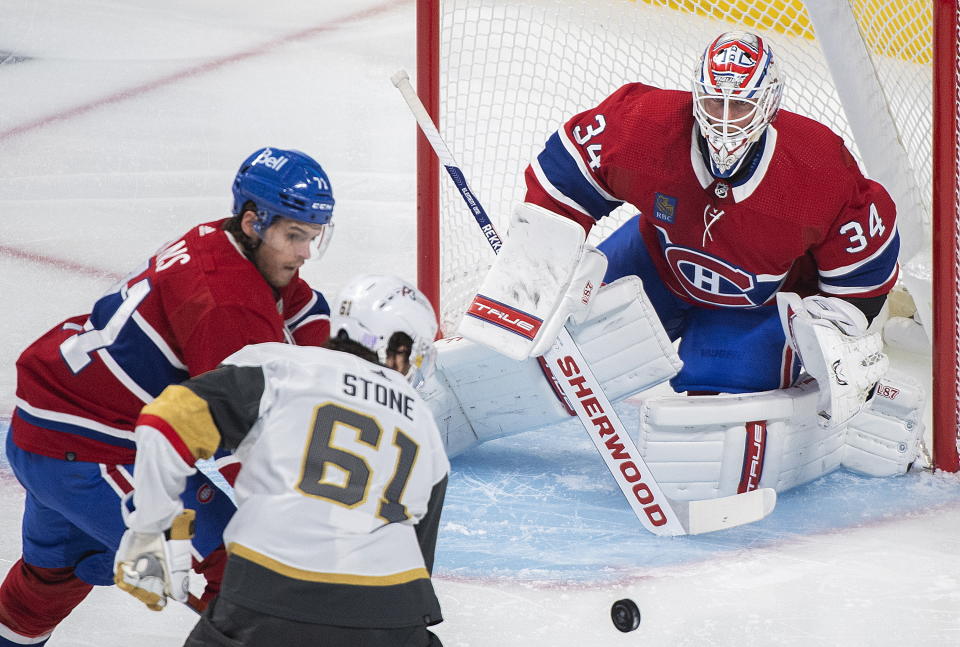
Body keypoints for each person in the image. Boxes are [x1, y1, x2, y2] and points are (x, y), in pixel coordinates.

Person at [429, 31, 922, 501]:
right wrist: (547, 253)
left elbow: (862, 272)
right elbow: (566, 172)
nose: (726, 121)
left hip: (755, 304)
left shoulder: (816, 169)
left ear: (769, 104)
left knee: (713, 427)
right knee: (559, 348)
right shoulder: (645, 126)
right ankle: (447, 403)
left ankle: (828, 418)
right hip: (653, 264)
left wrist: (836, 333)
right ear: (695, 95)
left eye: (742, 105)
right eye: (714, 103)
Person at [0, 146, 336, 646]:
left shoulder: (220, 239)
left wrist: (329, 363)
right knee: (247, 564)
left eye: (313, 238)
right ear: (253, 222)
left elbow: (303, 303)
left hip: (49, 429)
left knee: (48, 583)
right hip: (91, 453)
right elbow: (243, 447)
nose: (304, 253)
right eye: (294, 237)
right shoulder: (227, 307)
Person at [115, 274, 448, 647]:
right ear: (398, 348)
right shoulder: (424, 424)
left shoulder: (281, 368)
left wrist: (152, 531)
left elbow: (165, 422)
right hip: (392, 612)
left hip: (272, 596)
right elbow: (418, 558)